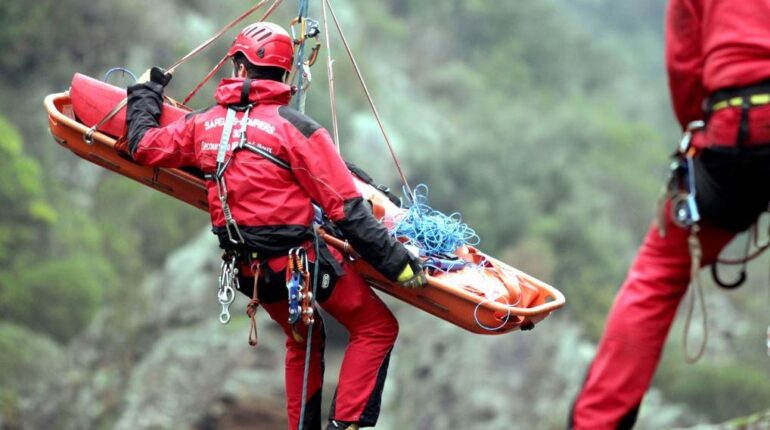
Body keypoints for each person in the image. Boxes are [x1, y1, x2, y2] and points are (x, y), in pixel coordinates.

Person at [122, 22, 426, 430]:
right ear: (284, 74)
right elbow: (347, 211)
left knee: (304, 339)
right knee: (376, 326)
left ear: (241, 68)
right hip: (300, 266)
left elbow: (143, 146)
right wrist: (399, 264)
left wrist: (145, 93)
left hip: (251, 273)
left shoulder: (203, 125)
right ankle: (346, 424)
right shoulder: (296, 131)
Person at [570, 1, 770, 428]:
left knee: (658, 274)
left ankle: (596, 422)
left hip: (738, 126)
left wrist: (704, 129)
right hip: (742, 119)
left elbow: (685, 70)